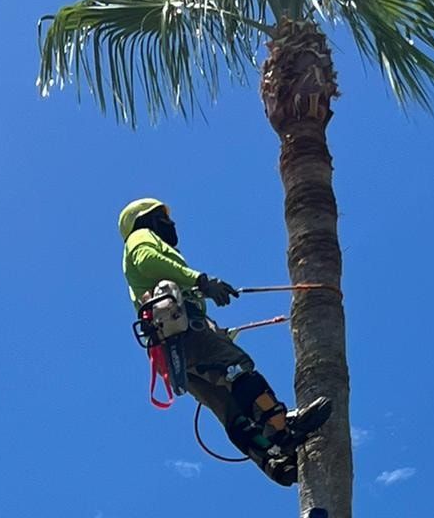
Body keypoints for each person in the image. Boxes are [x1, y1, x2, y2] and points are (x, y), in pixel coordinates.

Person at [118, 198, 332, 486]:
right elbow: (150, 262)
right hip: (186, 335)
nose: (171, 224)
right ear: (147, 220)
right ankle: (282, 426)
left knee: (229, 407)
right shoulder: (140, 238)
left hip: (173, 355)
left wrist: (217, 329)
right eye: (163, 218)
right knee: (238, 369)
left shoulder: (141, 260)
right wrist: (201, 280)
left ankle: (274, 461)